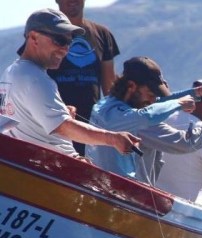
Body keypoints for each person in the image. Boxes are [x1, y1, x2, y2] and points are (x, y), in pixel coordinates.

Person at [1, 8, 139, 159]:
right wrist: (113, 139)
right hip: (57, 169)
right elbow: (63, 127)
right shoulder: (35, 78)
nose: (65, 49)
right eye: (59, 41)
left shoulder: (11, 72)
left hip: (33, 164)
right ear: (34, 37)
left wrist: (60, 111)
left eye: (69, 42)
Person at [85, 56, 202, 183]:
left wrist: (197, 93)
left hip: (99, 185)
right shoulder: (137, 121)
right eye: (151, 93)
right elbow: (184, 143)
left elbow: (156, 103)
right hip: (125, 197)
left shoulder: (104, 104)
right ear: (131, 86)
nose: (153, 100)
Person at [48, 0, 120, 155]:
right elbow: (31, 74)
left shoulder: (102, 34)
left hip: (92, 127)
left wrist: (115, 121)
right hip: (55, 125)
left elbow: (109, 86)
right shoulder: (44, 34)